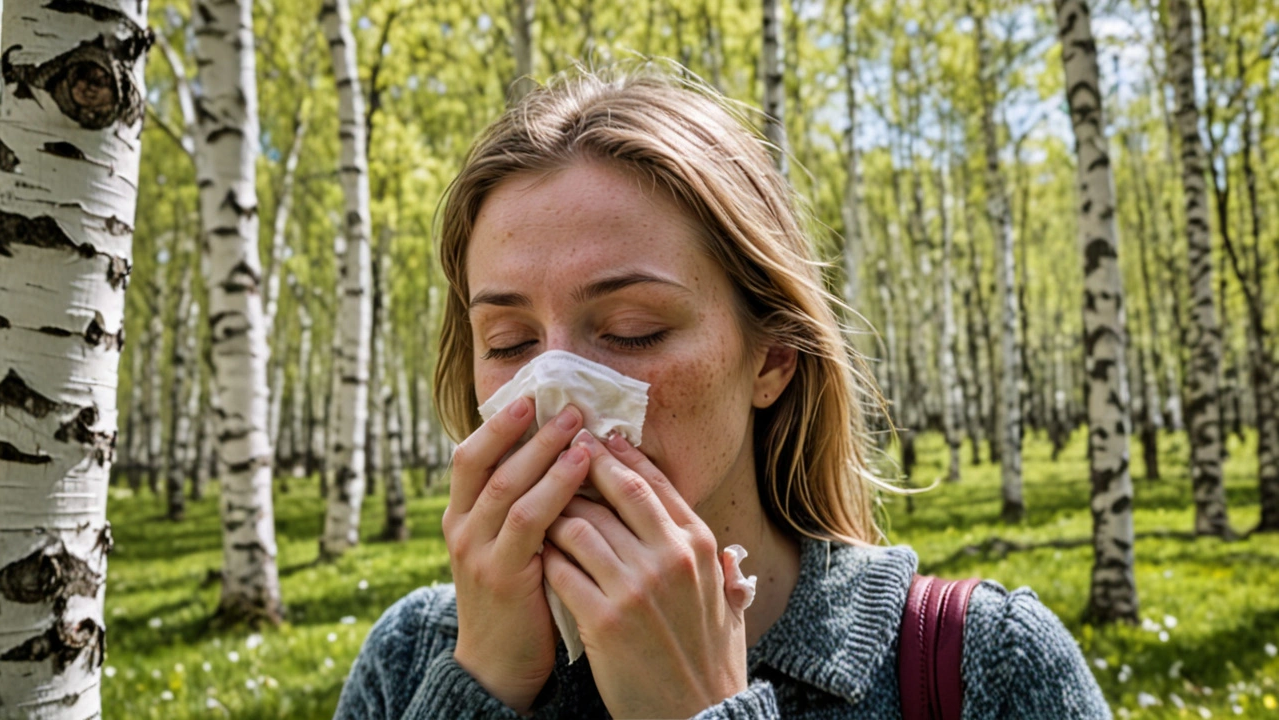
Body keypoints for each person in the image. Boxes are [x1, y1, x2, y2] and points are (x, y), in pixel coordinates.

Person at [333, 65, 1111, 719]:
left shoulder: (988, 666)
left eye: (632, 329)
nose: (557, 393)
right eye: (508, 343)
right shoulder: (414, 659)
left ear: (772, 358)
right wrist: (482, 686)